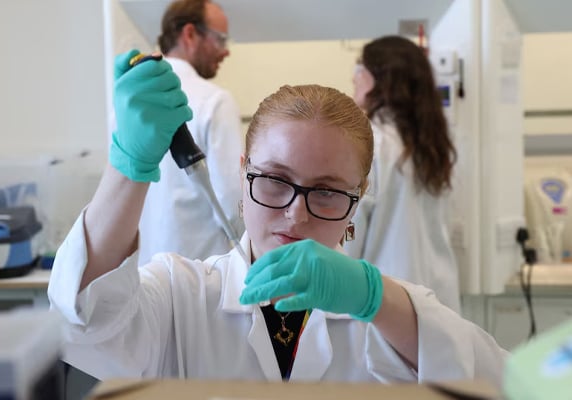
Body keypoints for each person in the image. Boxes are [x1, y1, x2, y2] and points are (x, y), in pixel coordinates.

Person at [48, 49, 507, 384]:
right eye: (274, 180)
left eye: (326, 191)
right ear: (243, 170)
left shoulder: (388, 312)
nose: (295, 213)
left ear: (359, 194)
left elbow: (498, 381)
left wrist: (375, 298)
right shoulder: (182, 295)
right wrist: (127, 166)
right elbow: (86, 324)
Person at [344, 35, 462, 313]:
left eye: (360, 66)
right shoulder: (432, 146)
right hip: (438, 302)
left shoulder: (370, 140)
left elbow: (351, 227)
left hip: (386, 304)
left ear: (379, 79)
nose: (354, 76)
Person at [136, 0, 243, 264]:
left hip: (143, 278)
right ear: (190, 34)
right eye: (220, 40)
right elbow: (234, 206)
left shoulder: (131, 103)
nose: (226, 52)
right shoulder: (215, 101)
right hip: (199, 282)